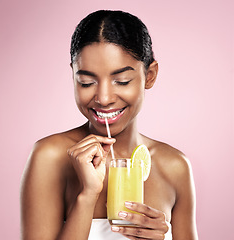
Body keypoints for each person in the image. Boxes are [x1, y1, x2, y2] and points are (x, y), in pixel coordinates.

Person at [20, 10, 198, 240]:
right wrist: (87, 196)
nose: (103, 98)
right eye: (86, 82)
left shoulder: (175, 166)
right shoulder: (51, 157)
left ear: (150, 75)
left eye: (121, 81)